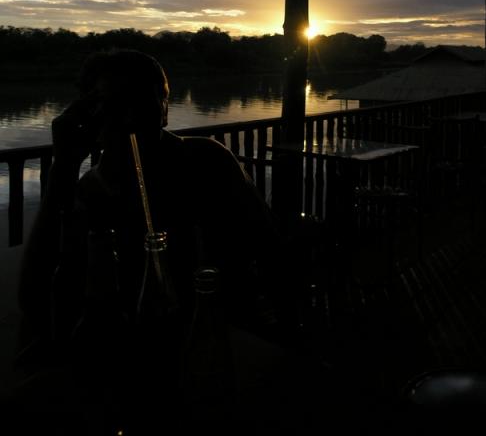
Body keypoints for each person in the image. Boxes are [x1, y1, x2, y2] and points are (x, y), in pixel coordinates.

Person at [5, 49, 319, 435]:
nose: (132, 118)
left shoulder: (206, 161)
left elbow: (269, 249)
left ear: (165, 108)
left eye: (146, 102)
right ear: (88, 115)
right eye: (114, 105)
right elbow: (36, 300)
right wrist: (64, 166)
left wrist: (286, 330)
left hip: (218, 337)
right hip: (129, 356)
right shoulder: (87, 190)